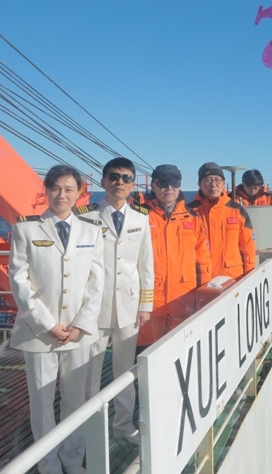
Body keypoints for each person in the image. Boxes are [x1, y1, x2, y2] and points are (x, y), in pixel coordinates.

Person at [8, 165, 104, 474]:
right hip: (39, 333)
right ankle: (48, 465)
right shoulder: (26, 230)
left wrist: (81, 324)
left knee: (76, 401)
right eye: (55, 188)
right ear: (46, 191)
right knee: (42, 403)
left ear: (79, 193)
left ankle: (73, 461)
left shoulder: (92, 230)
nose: (62, 195)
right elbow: (19, 280)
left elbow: (96, 281)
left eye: (68, 189)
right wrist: (47, 324)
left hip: (78, 332)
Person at [82, 157, 154, 446]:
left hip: (129, 306)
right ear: (103, 181)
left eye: (126, 178)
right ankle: (89, 430)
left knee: (125, 372)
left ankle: (123, 426)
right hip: (93, 308)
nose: (119, 182)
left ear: (132, 184)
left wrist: (145, 305)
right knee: (89, 373)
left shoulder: (140, 218)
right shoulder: (86, 217)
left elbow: (145, 264)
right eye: (113, 176)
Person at [138, 164, 211, 343]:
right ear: (153, 186)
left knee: (181, 351)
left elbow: (203, 262)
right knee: (145, 354)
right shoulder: (139, 217)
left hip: (183, 303)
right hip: (149, 305)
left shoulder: (193, 218)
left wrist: (204, 298)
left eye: (174, 182)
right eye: (162, 183)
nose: (169, 187)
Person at [187, 162, 256, 279]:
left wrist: (249, 278)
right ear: (199, 184)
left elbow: (248, 247)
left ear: (223, 183)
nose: (213, 184)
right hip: (200, 279)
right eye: (208, 180)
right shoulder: (188, 213)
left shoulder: (237, 211)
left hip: (232, 279)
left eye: (217, 180)